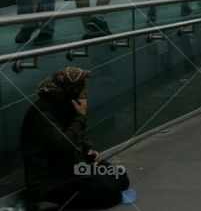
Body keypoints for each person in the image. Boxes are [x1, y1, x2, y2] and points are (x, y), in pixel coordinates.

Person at [21, 67, 130, 208]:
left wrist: (88, 149)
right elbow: (63, 144)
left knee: (120, 176)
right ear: (71, 89)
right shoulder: (42, 113)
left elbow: (78, 136)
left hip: (74, 168)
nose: (85, 92)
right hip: (52, 181)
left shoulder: (66, 103)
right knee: (108, 193)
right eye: (83, 89)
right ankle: (48, 203)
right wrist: (80, 117)